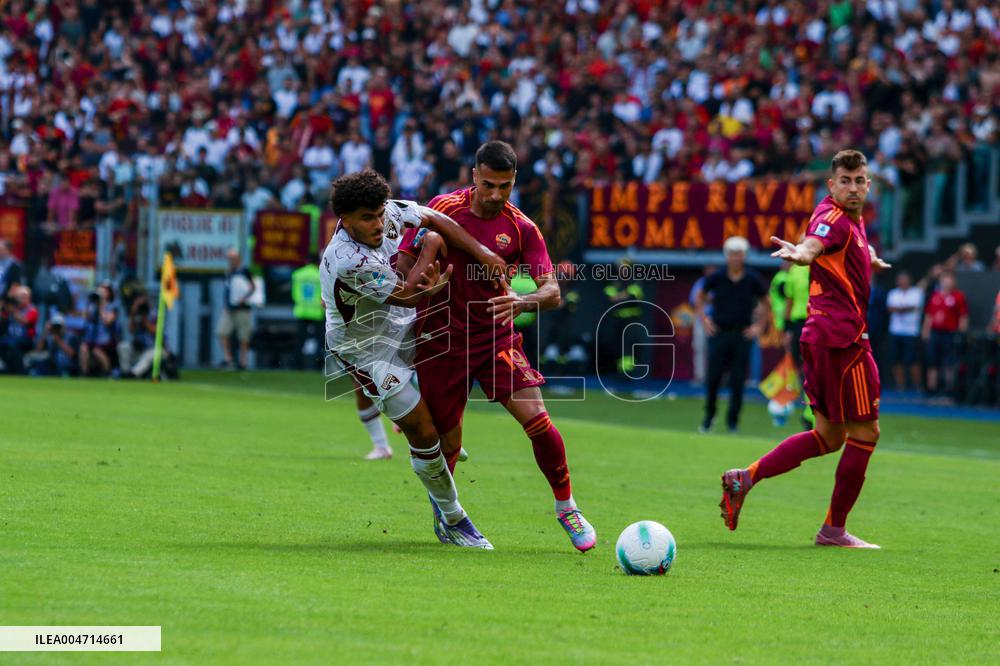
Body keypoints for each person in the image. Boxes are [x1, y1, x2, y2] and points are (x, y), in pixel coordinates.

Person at [397, 140, 598, 553]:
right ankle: (446, 512)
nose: (494, 195)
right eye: (488, 184)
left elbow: (552, 291)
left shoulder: (522, 227)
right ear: (474, 176)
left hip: (495, 339)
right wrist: (421, 283)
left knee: (538, 420)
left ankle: (567, 507)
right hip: (443, 341)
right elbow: (403, 262)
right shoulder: (443, 208)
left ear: (514, 182)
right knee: (446, 445)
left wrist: (523, 301)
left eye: (504, 186)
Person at [321, 169, 505, 548]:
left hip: (401, 323)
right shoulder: (345, 259)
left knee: (453, 356)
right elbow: (407, 293)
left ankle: (434, 431)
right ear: (345, 219)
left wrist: (482, 251)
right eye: (366, 218)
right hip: (367, 350)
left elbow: (436, 218)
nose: (378, 223)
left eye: (379, 214)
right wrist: (431, 248)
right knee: (423, 433)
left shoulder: (388, 211)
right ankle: (454, 519)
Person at [719, 149, 892, 549]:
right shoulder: (832, 218)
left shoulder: (851, 218)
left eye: (859, 180)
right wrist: (801, 253)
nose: (853, 187)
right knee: (866, 432)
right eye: (845, 181)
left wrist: (868, 261)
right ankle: (833, 531)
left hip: (821, 337)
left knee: (829, 436)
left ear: (868, 184)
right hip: (842, 341)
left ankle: (745, 478)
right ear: (831, 185)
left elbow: (841, 247)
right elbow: (816, 243)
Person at [695, 236, 769, 433]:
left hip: (741, 335)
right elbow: (700, 297)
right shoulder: (716, 277)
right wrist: (705, 320)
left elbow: (766, 303)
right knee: (713, 378)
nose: (736, 258)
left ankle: (733, 421)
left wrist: (759, 326)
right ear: (726, 256)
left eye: (739, 254)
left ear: (744, 256)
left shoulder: (753, 279)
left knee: (738, 380)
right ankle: (709, 416)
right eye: (732, 254)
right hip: (719, 333)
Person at [921, 271, 968, 396]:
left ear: (954, 281)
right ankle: (932, 389)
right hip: (935, 333)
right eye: (944, 279)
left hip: (950, 333)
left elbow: (963, 316)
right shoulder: (935, 296)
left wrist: (962, 333)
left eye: (949, 279)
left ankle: (949, 389)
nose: (946, 282)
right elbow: (929, 315)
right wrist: (925, 331)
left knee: (949, 362)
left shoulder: (958, 296)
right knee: (932, 361)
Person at [216, 249, 255, 370]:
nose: (230, 261)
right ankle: (229, 359)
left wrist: (244, 299)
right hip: (229, 308)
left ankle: (243, 362)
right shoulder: (229, 272)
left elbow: (252, 287)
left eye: (233, 258)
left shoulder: (244, 271)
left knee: (243, 336)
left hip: (242, 309)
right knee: (222, 332)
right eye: (229, 258)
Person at [886, 271, 924, 390]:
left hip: (911, 332)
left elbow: (914, 307)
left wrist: (900, 308)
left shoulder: (916, 292)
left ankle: (916, 385)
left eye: (905, 279)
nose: (902, 282)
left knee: (913, 360)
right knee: (896, 359)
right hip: (895, 331)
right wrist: (905, 308)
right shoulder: (893, 293)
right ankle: (900, 385)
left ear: (909, 281)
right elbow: (890, 308)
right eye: (900, 279)